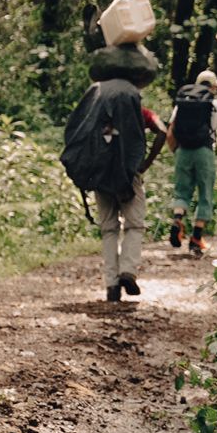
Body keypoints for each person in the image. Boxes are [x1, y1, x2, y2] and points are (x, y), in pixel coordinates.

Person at [95, 96, 166, 302]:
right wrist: (145, 163)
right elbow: (162, 131)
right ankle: (127, 271)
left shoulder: (97, 112)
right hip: (129, 173)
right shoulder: (141, 113)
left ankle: (111, 285)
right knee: (134, 225)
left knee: (108, 229)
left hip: (101, 174)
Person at [167, 69, 217, 256]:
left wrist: (176, 151)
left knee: (181, 190)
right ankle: (196, 238)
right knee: (205, 193)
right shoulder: (216, 105)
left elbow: (170, 133)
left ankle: (178, 219)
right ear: (213, 86)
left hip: (183, 151)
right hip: (205, 152)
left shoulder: (182, 104)